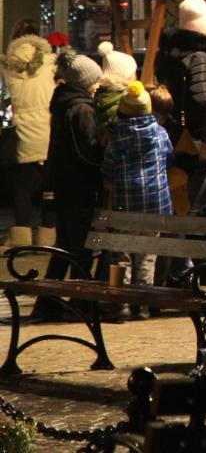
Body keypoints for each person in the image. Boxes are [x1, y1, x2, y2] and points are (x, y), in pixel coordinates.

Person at [40, 50, 105, 312]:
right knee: (81, 248)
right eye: (95, 80)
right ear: (84, 81)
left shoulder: (63, 104)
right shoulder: (82, 109)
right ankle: (80, 301)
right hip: (80, 186)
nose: (97, 84)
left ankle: (48, 302)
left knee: (64, 246)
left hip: (65, 184)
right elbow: (87, 151)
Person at [101, 80, 173, 297]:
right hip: (155, 206)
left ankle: (121, 303)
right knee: (147, 257)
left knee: (122, 257)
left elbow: (108, 169)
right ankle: (142, 303)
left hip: (125, 205)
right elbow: (169, 157)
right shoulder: (160, 134)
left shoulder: (116, 138)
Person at [155, 0, 206, 211]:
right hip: (192, 133)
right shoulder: (200, 55)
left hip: (171, 126)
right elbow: (201, 98)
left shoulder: (166, 51)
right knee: (199, 185)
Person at [3, 25, 55, 248]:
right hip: (48, 130)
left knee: (22, 190)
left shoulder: (7, 65)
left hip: (22, 131)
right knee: (50, 190)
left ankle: (21, 238)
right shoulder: (51, 62)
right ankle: (48, 237)